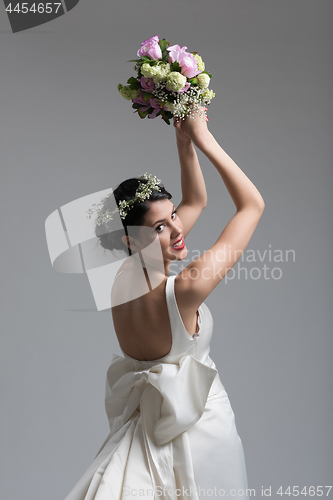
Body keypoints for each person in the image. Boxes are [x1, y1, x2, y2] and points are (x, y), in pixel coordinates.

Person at [64, 109, 265, 500]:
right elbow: (252, 205)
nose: (178, 230)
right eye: (161, 227)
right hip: (201, 429)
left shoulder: (119, 278)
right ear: (132, 241)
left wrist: (183, 142)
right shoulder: (186, 289)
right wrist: (204, 138)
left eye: (173, 217)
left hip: (147, 428)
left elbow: (195, 201)